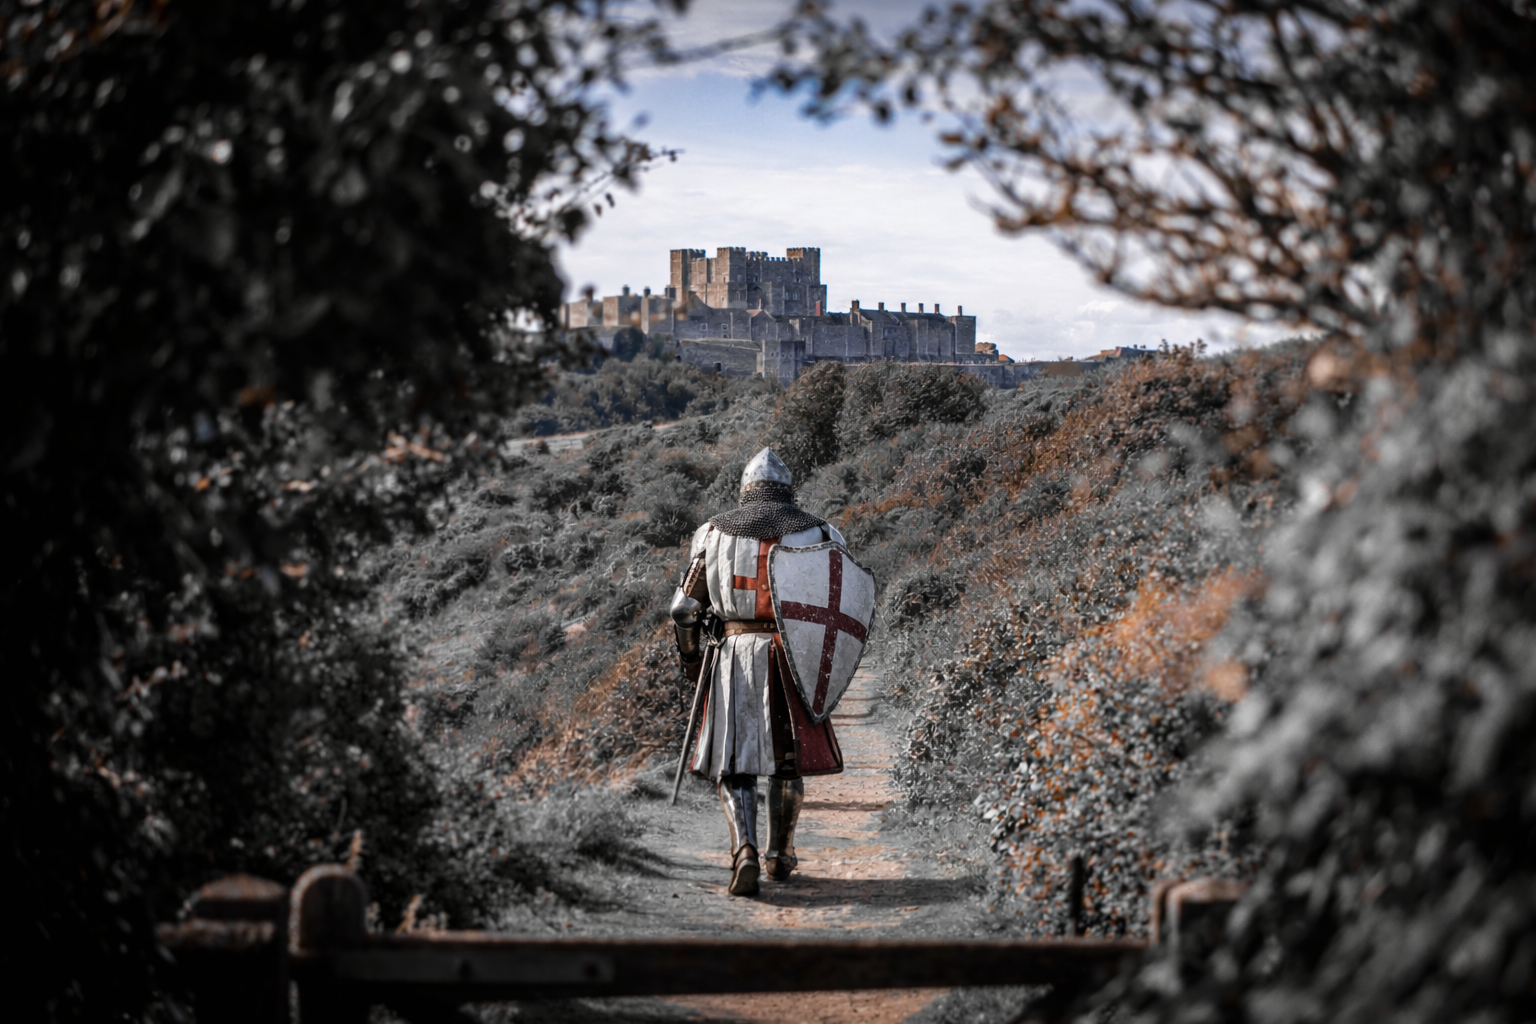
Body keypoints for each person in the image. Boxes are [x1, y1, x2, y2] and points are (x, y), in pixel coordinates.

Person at [669, 448, 849, 896]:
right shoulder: (821, 532)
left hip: (733, 655)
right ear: (788, 491)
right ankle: (780, 855)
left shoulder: (712, 533)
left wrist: (691, 659)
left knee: (735, 762)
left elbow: (684, 608)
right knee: (787, 762)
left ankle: (744, 850)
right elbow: (841, 599)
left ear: (745, 490)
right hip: (793, 657)